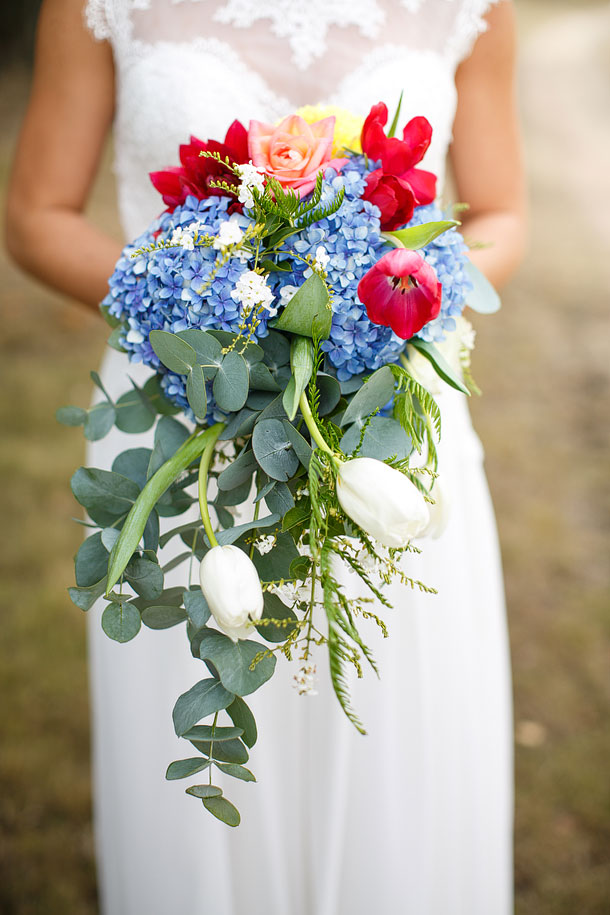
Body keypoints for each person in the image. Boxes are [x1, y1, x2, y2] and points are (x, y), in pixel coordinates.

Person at [6, 1, 526, 913]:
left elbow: (504, 211)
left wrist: (395, 299)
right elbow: (38, 213)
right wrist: (202, 309)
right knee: (207, 737)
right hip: (182, 415)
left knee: (392, 731)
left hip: (382, 420)